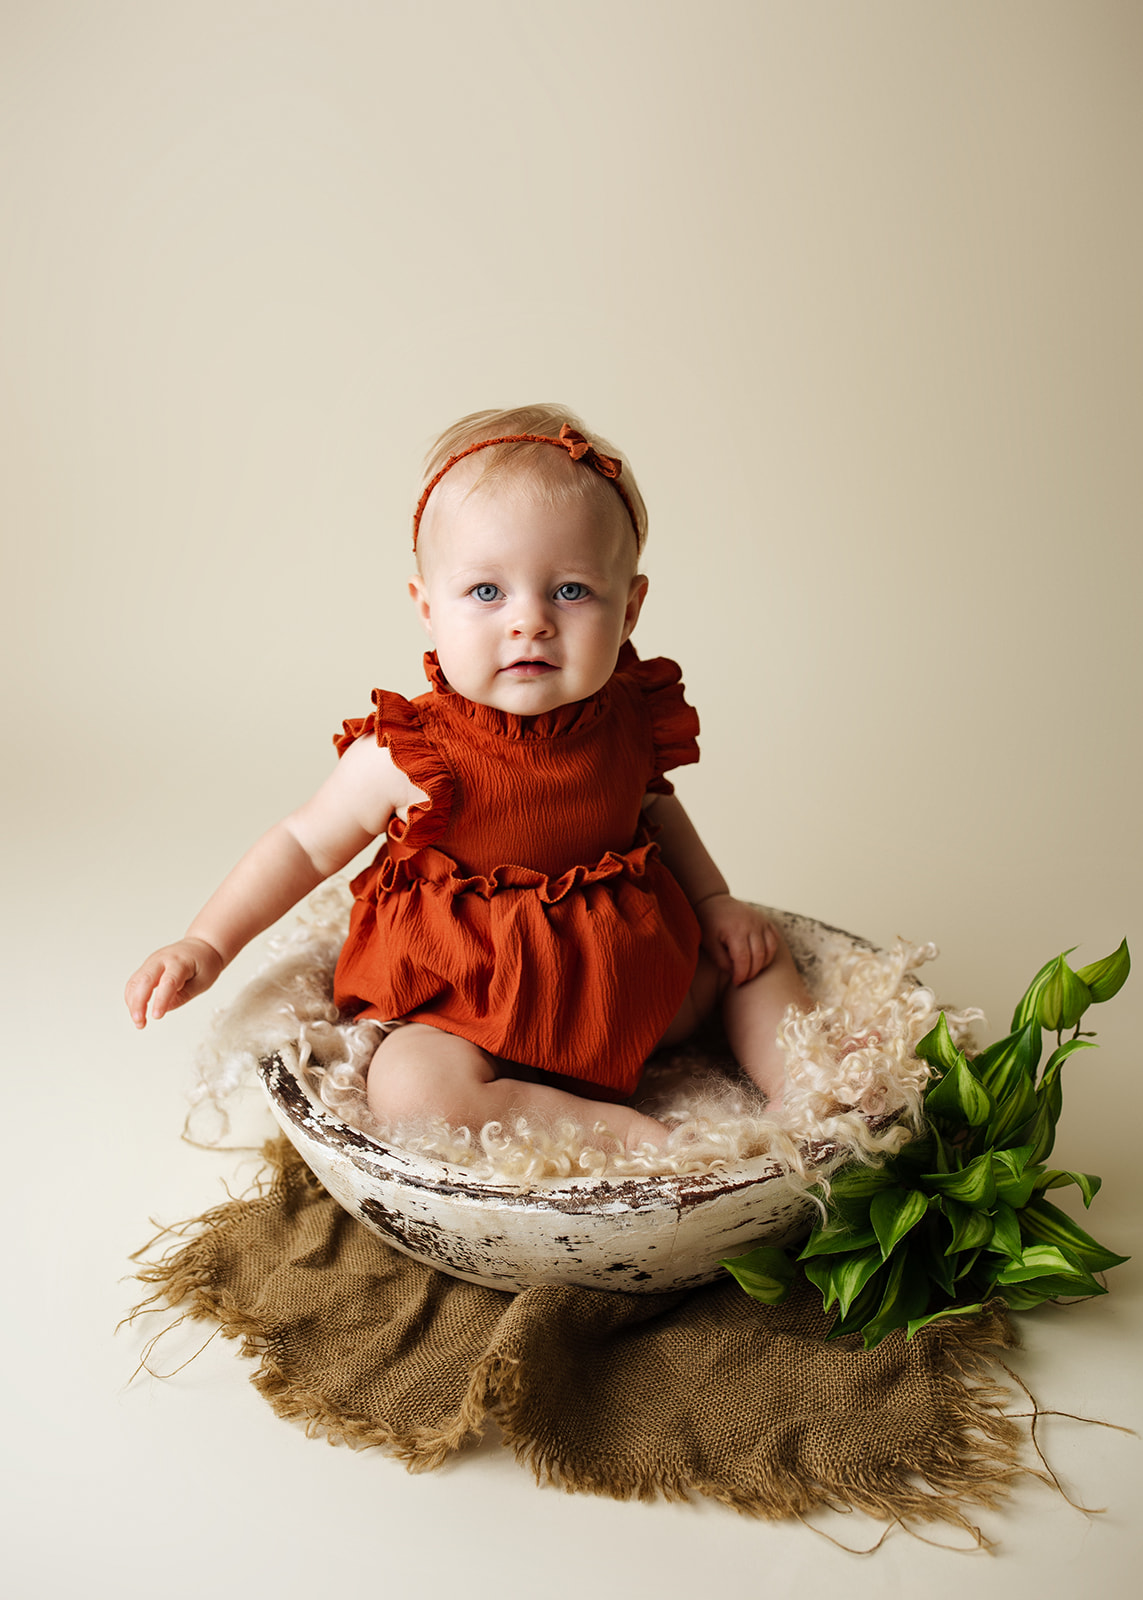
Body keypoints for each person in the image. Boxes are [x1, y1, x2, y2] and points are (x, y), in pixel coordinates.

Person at [126, 405, 812, 1153]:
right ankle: (629, 1137)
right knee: (413, 1092)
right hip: (467, 999)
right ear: (427, 608)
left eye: (572, 591)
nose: (530, 622)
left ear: (630, 608)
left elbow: (656, 810)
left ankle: (806, 1107)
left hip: (620, 979)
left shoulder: (627, 714)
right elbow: (302, 844)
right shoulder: (411, 752)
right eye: (487, 592)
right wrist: (206, 944)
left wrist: (713, 902)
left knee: (751, 951)